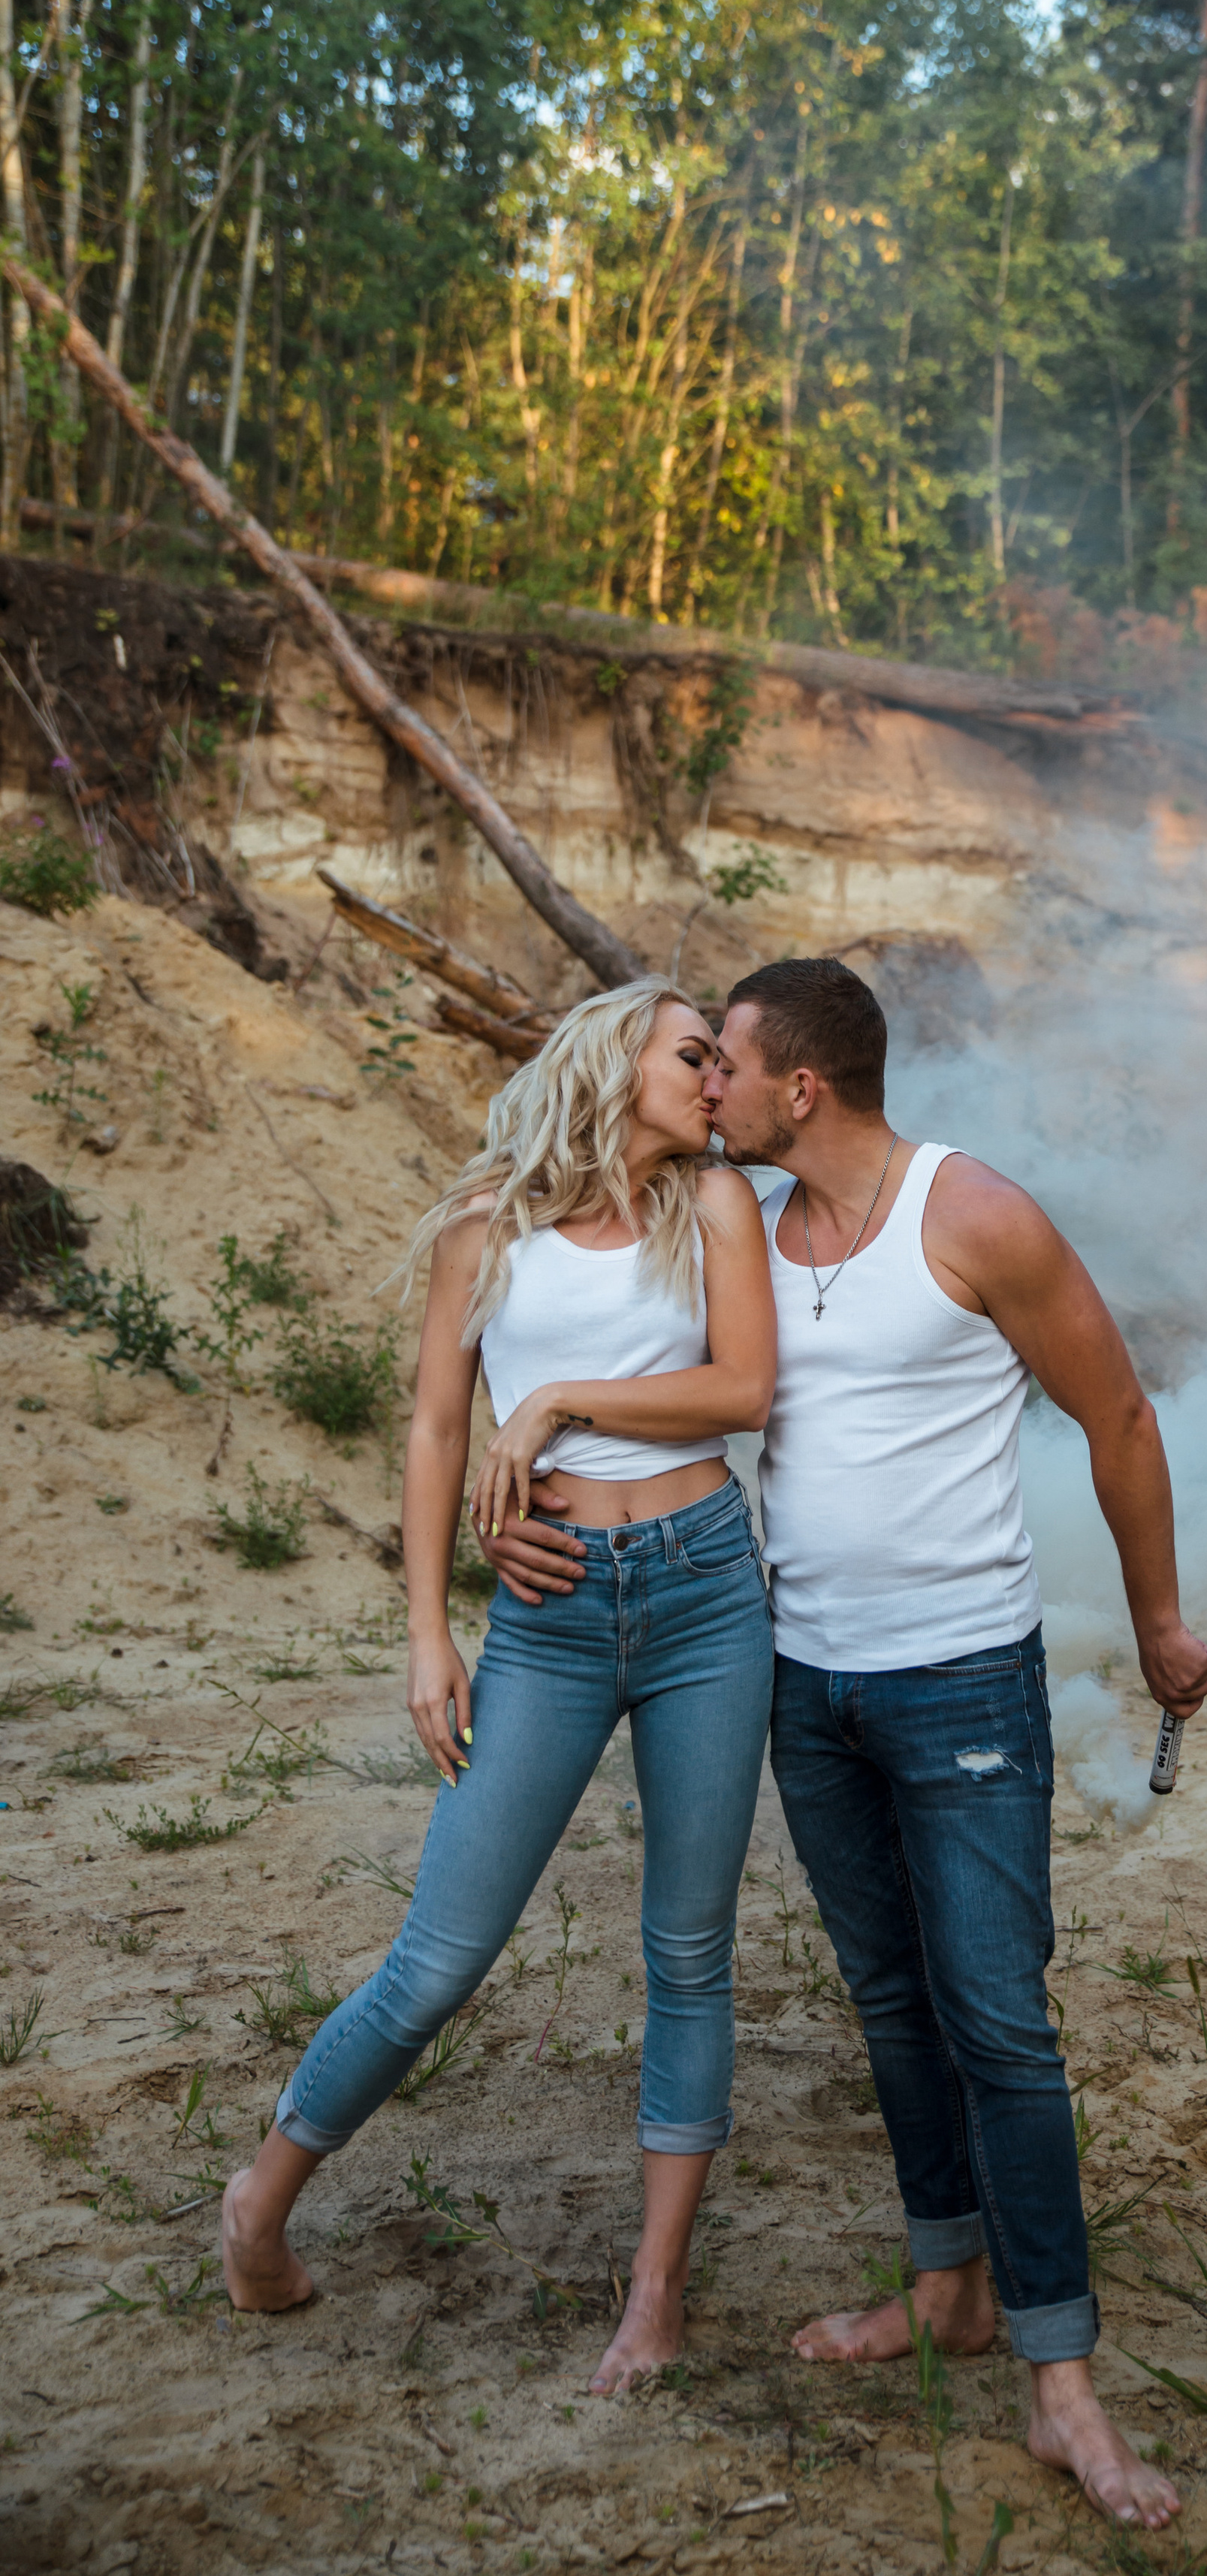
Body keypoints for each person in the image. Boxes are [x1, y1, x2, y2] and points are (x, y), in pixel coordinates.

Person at [482, 957, 1207, 2528]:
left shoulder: (973, 1216)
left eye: (723, 1066)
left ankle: (1060, 2384)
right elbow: (617, 1380)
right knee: (888, 1999)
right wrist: (514, 1510)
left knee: (995, 2019)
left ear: (795, 1088)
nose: (705, 1089)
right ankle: (943, 2283)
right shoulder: (727, 1232)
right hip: (802, 1685)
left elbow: (1120, 1419)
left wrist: (1158, 1624)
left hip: (960, 1682)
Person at [219, 976, 777, 2396]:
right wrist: (427, 1633)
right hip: (550, 1607)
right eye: (693, 1054)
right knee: (441, 1956)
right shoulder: (489, 1226)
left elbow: (741, 1392)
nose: (716, 1081)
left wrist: (564, 1403)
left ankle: (654, 2291)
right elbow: (432, 1427)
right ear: (614, 1060)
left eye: (722, 1060)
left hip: (710, 1589)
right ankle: (261, 2203)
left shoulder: (712, 1208)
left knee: (690, 1952)